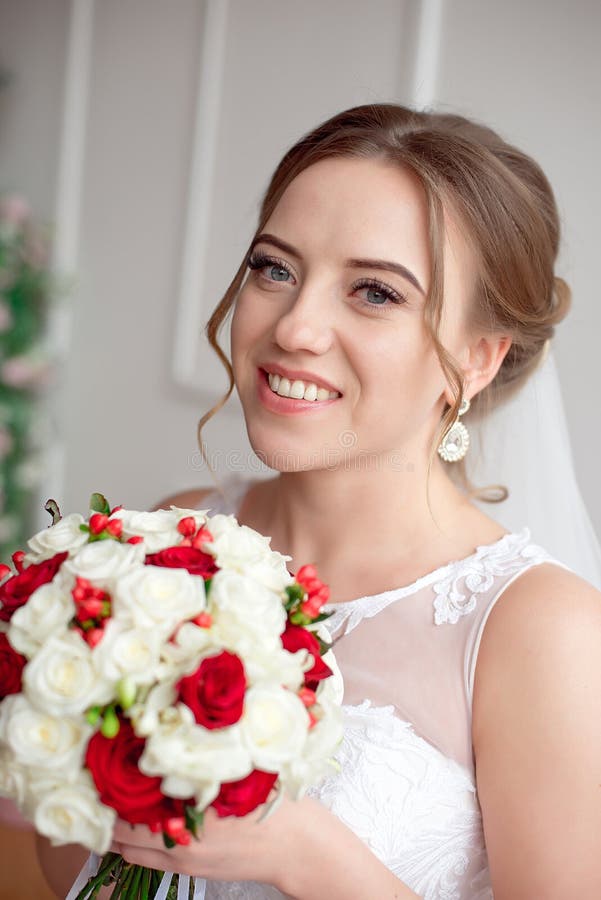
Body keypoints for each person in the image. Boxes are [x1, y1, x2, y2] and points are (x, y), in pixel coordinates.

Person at [39, 104, 601, 898]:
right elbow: (78, 872)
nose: (295, 326)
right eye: (274, 268)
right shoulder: (173, 538)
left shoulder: (539, 632)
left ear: (476, 359)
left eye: (373, 292)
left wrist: (304, 857)